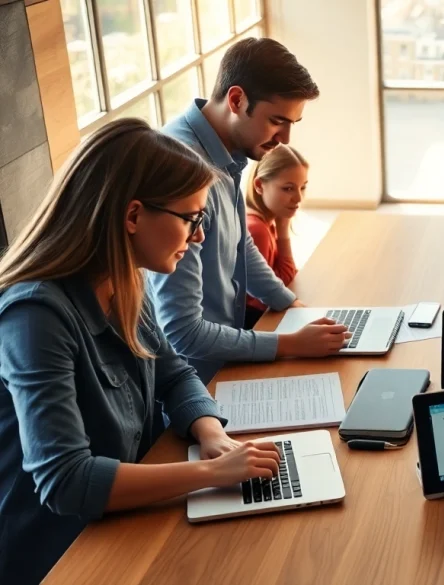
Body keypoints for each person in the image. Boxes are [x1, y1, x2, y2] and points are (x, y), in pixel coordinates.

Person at [0, 120, 285, 585]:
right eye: (192, 218)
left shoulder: (126, 278)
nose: (198, 237)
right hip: (60, 555)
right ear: (133, 216)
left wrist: (210, 434)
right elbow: (66, 481)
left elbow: (174, 374)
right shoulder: (35, 315)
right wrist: (208, 474)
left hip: (123, 521)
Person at [150, 38, 349, 384]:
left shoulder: (229, 154)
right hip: (195, 383)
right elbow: (181, 331)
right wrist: (287, 344)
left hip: (227, 361)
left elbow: (240, 244)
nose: (285, 138)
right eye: (277, 121)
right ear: (237, 100)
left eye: (292, 124)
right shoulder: (181, 171)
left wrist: (288, 304)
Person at [242, 144, 308, 329]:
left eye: (302, 188)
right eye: (288, 189)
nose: (298, 198)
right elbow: (277, 288)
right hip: (255, 324)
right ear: (259, 186)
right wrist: (283, 232)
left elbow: (285, 278)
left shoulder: (267, 222)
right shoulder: (256, 230)